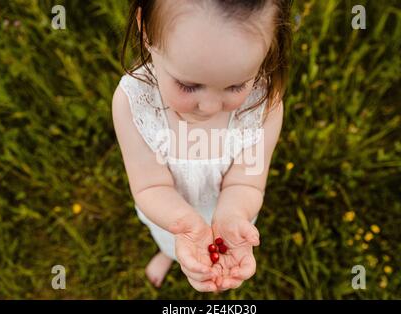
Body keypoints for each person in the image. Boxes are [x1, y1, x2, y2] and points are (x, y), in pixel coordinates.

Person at [112, 0, 292, 292]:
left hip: (231, 209)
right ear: (146, 32)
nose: (209, 107)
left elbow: (246, 184)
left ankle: (192, 246)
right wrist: (186, 226)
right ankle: (168, 252)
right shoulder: (134, 104)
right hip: (169, 213)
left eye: (235, 86)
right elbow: (150, 187)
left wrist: (233, 216)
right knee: (171, 240)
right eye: (187, 85)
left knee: (214, 238)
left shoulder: (263, 105)